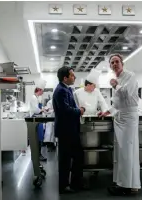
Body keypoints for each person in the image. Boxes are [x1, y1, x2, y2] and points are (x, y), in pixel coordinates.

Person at [99, 54, 141, 195]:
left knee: (127, 151)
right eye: (112, 62)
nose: (114, 64)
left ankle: (126, 186)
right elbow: (117, 103)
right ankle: (126, 183)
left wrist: (115, 85)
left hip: (128, 117)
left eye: (117, 61)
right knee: (121, 151)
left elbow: (127, 95)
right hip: (120, 116)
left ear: (122, 63)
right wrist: (108, 111)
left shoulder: (130, 76)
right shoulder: (116, 79)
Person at [53, 66, 85, 194]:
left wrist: (78, 109)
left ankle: (75, 183)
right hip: (66, 130)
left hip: (70, 129)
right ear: (65, 78)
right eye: (72, 75)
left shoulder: (67, 89)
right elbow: (65, 110)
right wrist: (80, 111)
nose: (74, 77)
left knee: (77, 156)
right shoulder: (61, 90)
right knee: (66, 159)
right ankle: (64, 186)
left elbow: (69, 107)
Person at [29, 79, 48, 162]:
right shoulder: (34, 98)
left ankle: (38, 154)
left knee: (39, 138)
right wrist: (43, 110)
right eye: (42, 91)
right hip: (35, 120)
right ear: (39, 90)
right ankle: (37, 155)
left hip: (38, 120)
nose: (42, 93)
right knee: (36, 139)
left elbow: (38, 108)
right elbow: (36, 110)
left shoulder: (37, 98)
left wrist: (43, 109)